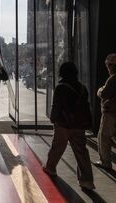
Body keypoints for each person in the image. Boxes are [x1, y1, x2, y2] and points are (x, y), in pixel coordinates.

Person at [43, 62, 95, 190]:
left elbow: (56, 106)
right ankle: (87, 180)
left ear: (62, 72)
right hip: (79, 125)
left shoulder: (61, 87)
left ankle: (51, 167)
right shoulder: (82, 88)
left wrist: (53, 118)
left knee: (58, 147)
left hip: (63, 124)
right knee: (81, 151)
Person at [96, 53, 116, 168]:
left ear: (112, 65)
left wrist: (100, 90)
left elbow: (105, 94)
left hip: (111, 113)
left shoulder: (114, 78)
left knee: (104, 137)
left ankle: (105, 162)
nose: (107, 67)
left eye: (108, 65)